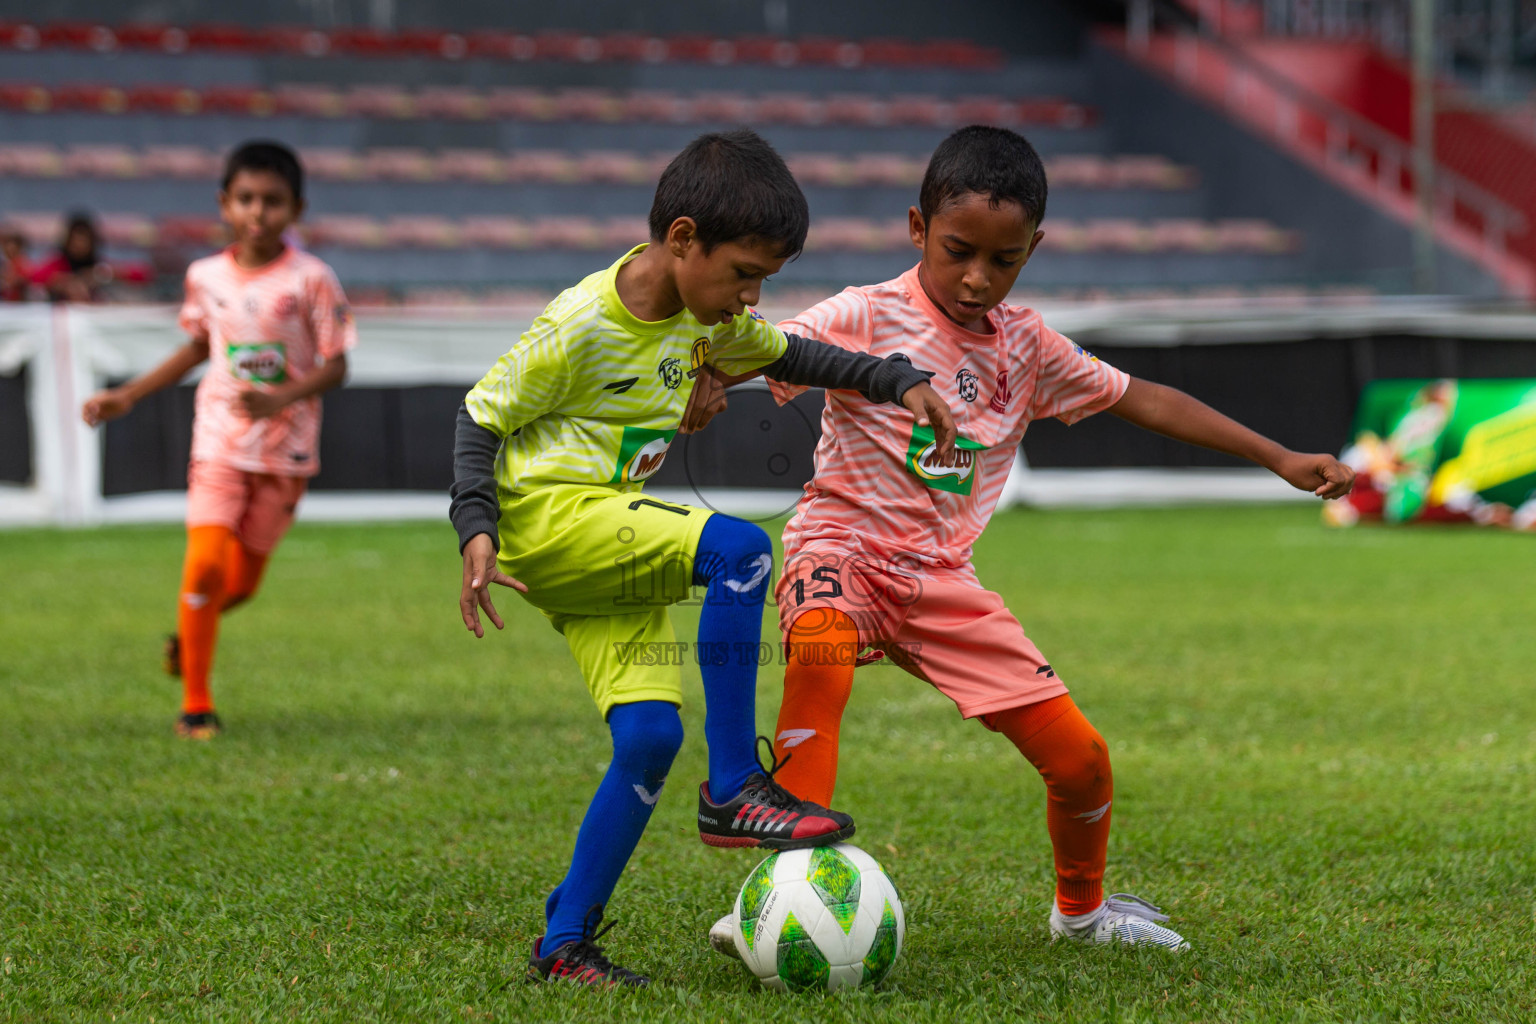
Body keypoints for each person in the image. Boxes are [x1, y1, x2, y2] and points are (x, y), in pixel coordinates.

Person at [685, 125, 1355, 955]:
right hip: (841, 550)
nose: (977, 278)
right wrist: (713, 378)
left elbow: (1145, 399)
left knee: (1082, 763)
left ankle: (1082, 915)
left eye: (1003, 261)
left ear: (1033, 249)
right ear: (917, 227)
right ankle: (776, 896)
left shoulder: (1029, 347)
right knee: (818, 653)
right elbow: (762, 345)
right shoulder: (864, 313)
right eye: (959, 250)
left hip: (941, 582)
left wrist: (1278, 456)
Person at [448, 129, 959, 988]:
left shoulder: (708, 321)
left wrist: (897, 378)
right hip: (553, 519)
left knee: (649, 737)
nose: (752, 296)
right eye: (744, 274)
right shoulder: (581, 324)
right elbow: (480, 416)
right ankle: (733, 786)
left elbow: (798, 354)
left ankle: (564, 942)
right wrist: (476, 526)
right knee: (739, 549)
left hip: (607, 541)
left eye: (766, 279)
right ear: (683, 239)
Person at [82, 141, 355, 739]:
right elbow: (197, 346)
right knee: (203, 564)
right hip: (220, 442)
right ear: (224, 205)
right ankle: (196, 705)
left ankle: (188, 633)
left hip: (286, 450)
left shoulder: (312, 279)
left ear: (296, 209)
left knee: (241, 584)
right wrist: (127, 395)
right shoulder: (204, 276)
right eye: (247, 199)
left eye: (273, 201)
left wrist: (281, 398)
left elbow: (337, 365)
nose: (258, 212)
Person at [32, 211, 150, 302]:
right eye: (75, 241)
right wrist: (62, 282)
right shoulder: (58, 263)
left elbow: (143, 274)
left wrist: (104, 274)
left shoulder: (98, 265)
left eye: (84, 241)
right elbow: (35, 276)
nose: (79, 246)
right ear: (67, 242)